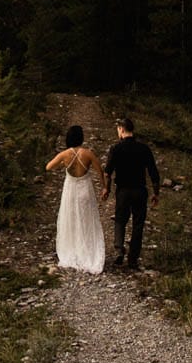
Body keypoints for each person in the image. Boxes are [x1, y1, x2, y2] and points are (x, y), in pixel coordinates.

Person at [100, 116, 159, 271]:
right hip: (140, 190)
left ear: (121, 129)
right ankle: (133, 259)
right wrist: (156, 193)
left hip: (123, 191)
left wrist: (107, 188)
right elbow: (153, 172)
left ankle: (119, 250)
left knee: (120, 220)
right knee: (138, 225)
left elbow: (108, 172)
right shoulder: (144, 148)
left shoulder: (116, 148)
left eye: (117, 130)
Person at [45, 125, 106, 273]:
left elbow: (48, 167)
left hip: (70, 190)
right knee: (86, 219)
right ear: (81, 138)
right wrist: (104, 187)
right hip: (85, 188)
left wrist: (62, 165)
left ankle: (72, 251)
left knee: (71, 219)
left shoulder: (65, 154)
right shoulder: (88, 153)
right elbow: (100, 171)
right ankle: (88, 252)